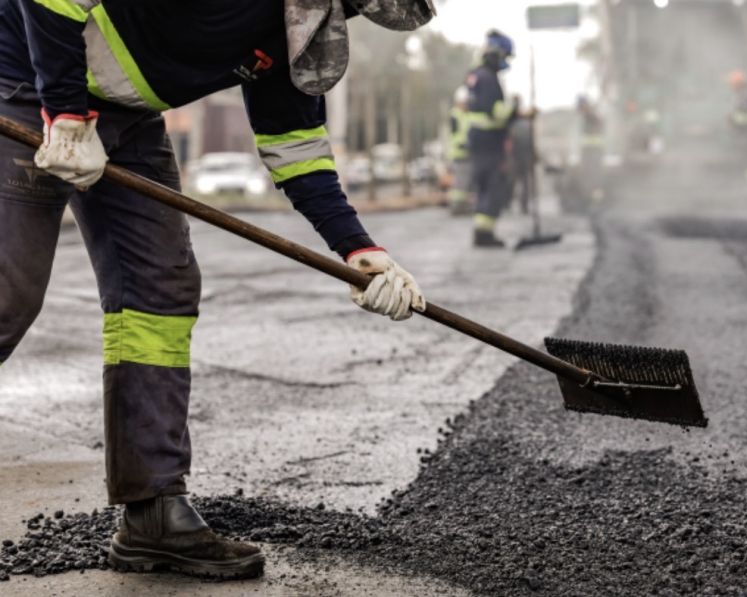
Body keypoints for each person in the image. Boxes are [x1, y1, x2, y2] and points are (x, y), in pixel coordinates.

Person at [0, 0, 435, 580]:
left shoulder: (299, 25)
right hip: (22, 73)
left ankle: (153, 511)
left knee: (160, 288)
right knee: (8, 293)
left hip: (122, 115)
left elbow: (296, 146)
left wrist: (362, 252)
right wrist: (66, 114)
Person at [466, 29, 518, 248]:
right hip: (489, 143)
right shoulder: (488, 78)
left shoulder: (477, 75)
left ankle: (482, 232)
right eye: (505, 56)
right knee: (494, 188)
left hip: (479, 142)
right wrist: (515, 108)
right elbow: (496, 113)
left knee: (484, 188)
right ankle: (485, 235)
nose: (505, 62)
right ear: (496, 53)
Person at [446, 85, 474, 215]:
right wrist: (463, 144)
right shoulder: (455, 115)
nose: (466, 104)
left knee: (465, 182)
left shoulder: (467, 115)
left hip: (468, 153)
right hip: (460, 153)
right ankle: (457, 207)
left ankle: (462, 205)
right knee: (460, 183)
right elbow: (455, 135)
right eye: (464, 102)